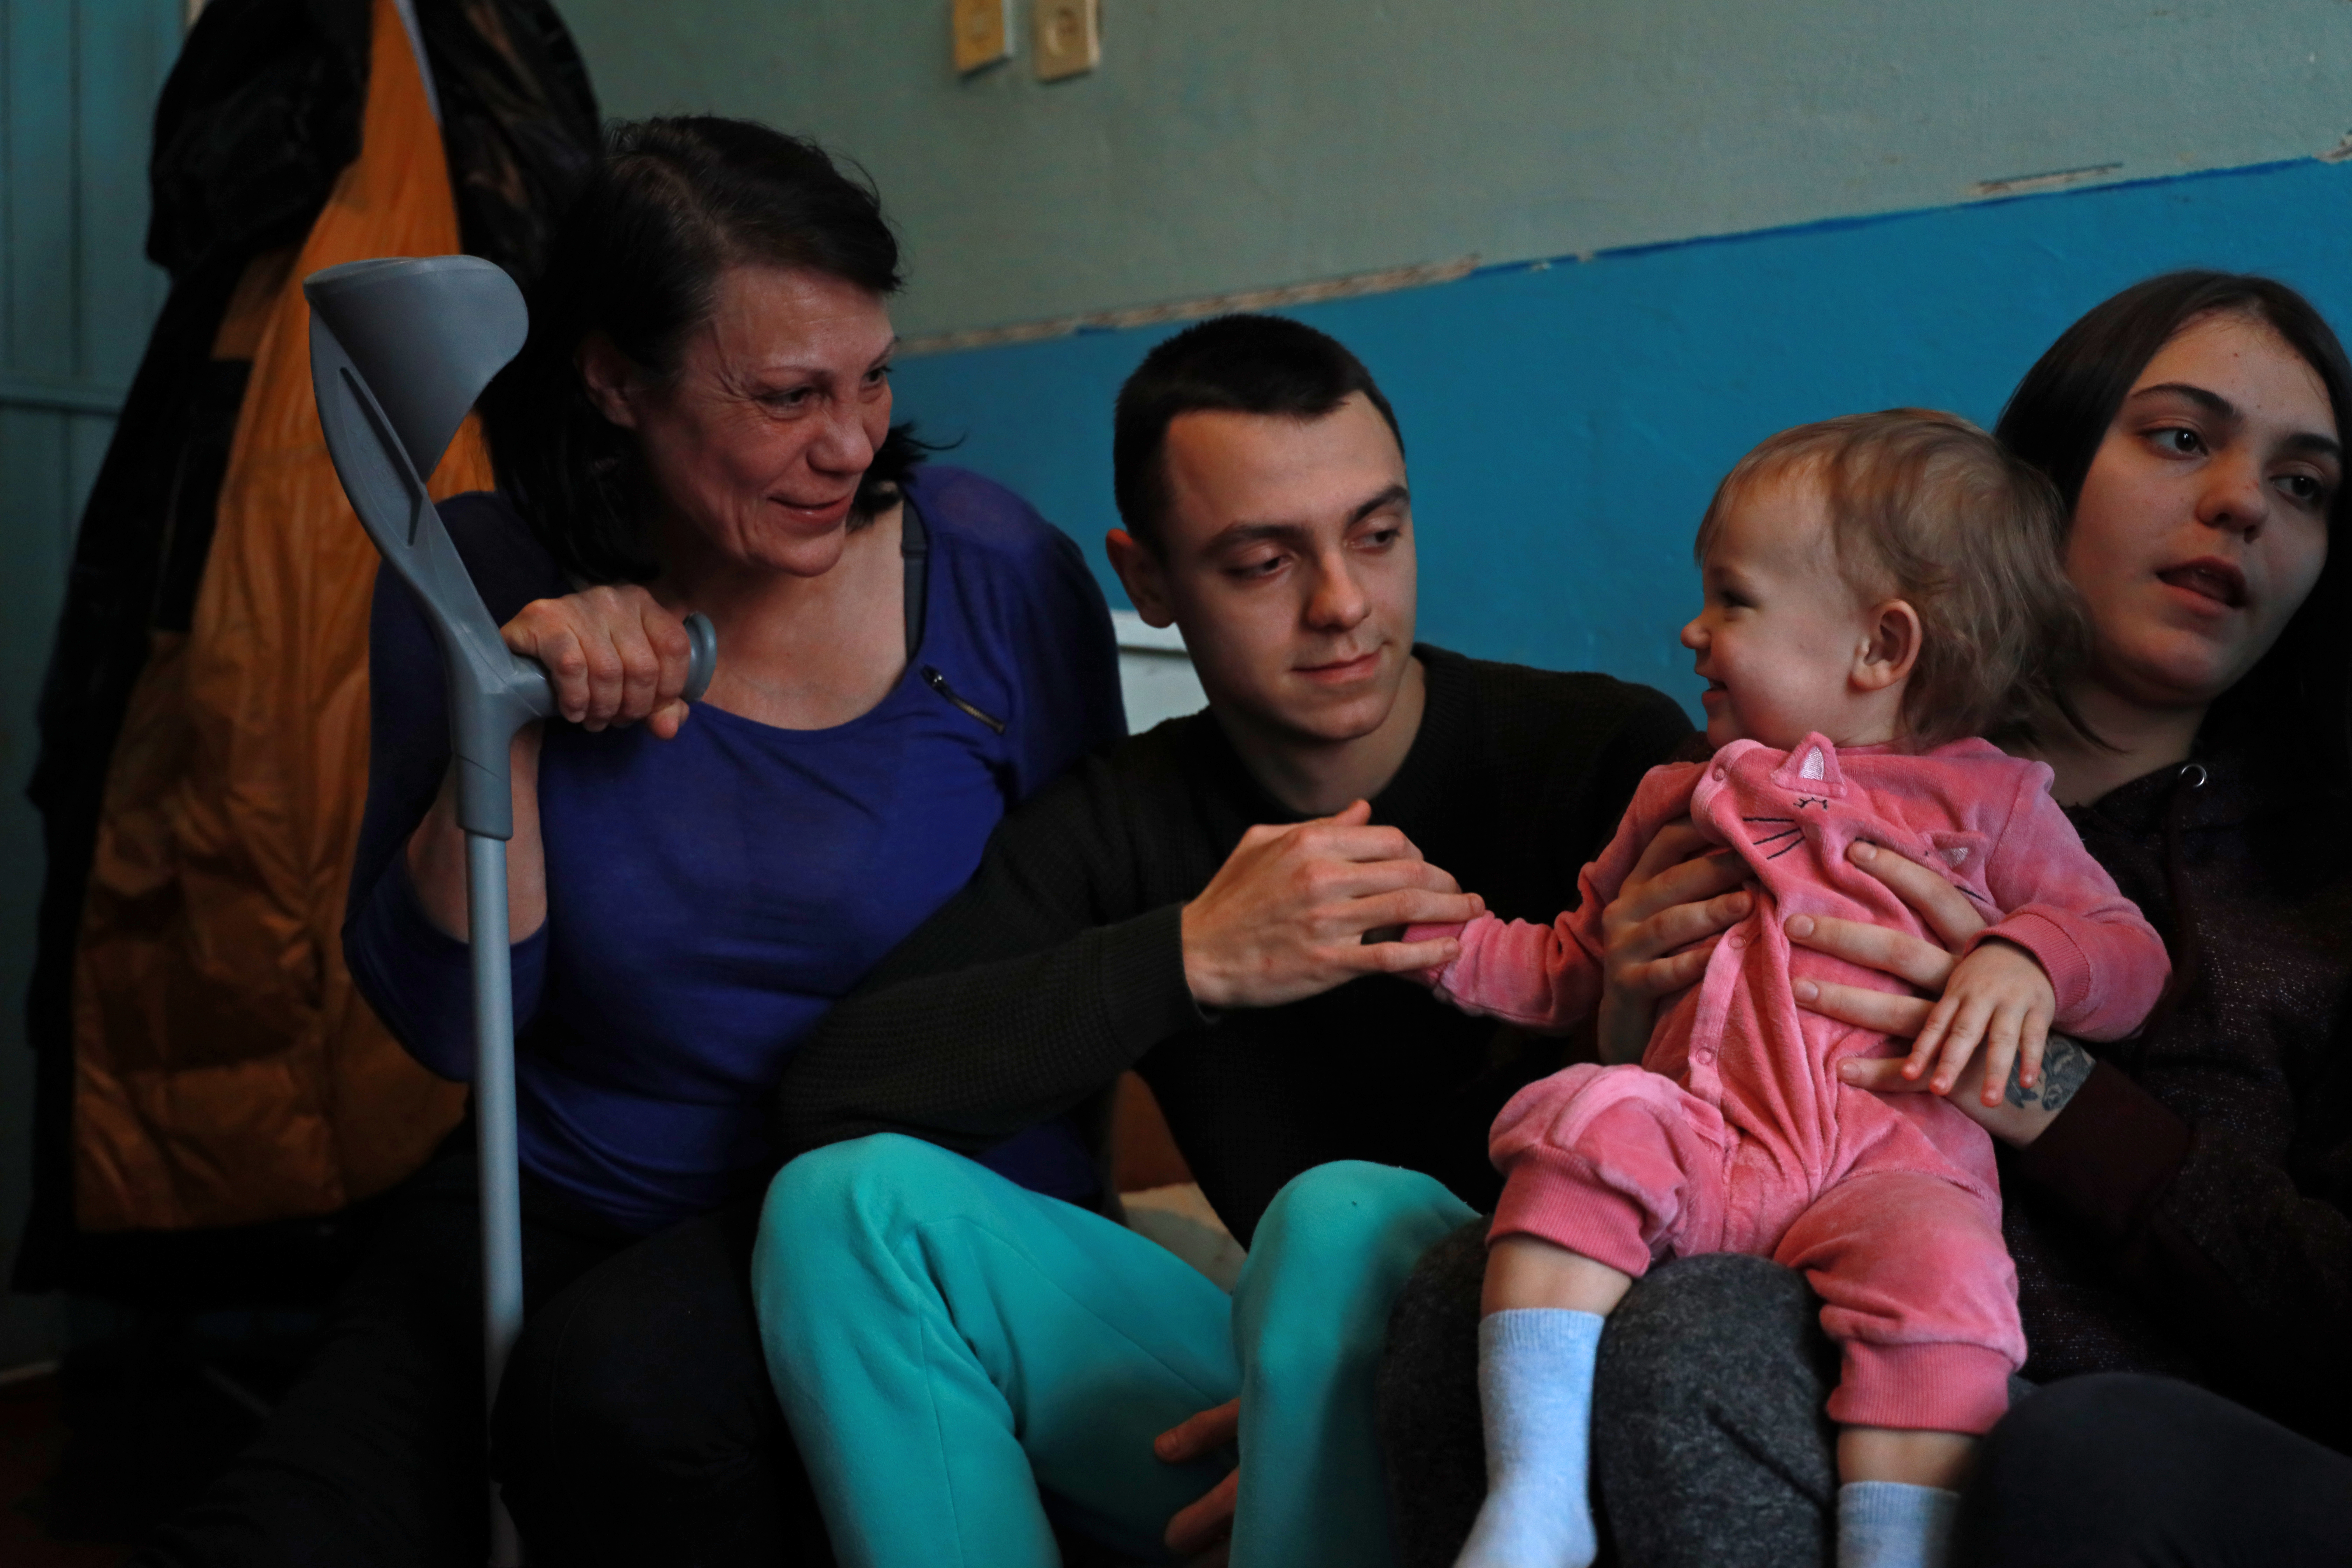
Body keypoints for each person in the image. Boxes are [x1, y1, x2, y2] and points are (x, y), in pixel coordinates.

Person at [135, 116, 1124, 1568]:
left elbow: (1090, 962)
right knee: (284, 1529)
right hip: (568, 1194)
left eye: (872, 379)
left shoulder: (992, 574)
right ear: (614, 380)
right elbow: (444, 1022)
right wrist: (515, 714)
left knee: (616, 1404)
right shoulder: (485, 573)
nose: (847, 442)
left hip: (879, 1219)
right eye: (788, 395)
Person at [1379, 271, 2352, 1568]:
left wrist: (2047, 1081)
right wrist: (1619, 1015)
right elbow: (1556, 1110)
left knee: (1714, 1339)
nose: (2242, 501)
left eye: (2305, 486)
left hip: (2098, 1439)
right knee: (1445, 1285)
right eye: (2183, 438)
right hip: (1759, 1246)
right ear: (2037, 489)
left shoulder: (2311, 901)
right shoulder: (1772, 773)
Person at [753, 313, 1695, 1567]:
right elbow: (834, 1093)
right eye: (1263, 564)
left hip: (1545, 1399)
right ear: (1147, 581)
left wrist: (1381, 1392)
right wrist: (1190, 957)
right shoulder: (1121, 820)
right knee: (843, 1205)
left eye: (1378, 533)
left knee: (1339, 1218)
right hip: (1270, 1403)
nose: (1345, 604)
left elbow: (1774, 1141)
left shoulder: (1606, 758)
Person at [1410, 411, 2168, 1568]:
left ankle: (1899, 1550)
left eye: (1733, 600)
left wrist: (2028, 960)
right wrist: (1445, 944)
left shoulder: (1997, 806)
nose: (1693, 630)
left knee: (1953, 1281)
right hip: (1709, 1138)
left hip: (1892, 1171)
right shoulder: (1685, 792)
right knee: (1585, 1125)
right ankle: (1536, 1494)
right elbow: (1570, 960)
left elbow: (2128, 952)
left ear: (1881, 646)